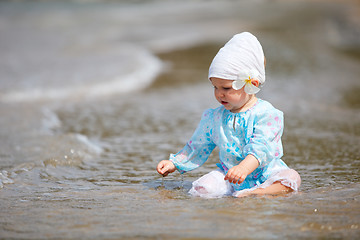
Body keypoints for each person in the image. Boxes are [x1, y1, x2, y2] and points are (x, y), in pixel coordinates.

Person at [156, 32, 301, 198]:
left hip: (265, 173)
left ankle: (257, 192)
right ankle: (240, 192)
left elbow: (262, 147)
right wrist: (175, 163)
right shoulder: (214, 118)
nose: (219, 94)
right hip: (229, 175)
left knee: (291, 178)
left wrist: (244, 169)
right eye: (215, 87)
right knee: (203, 187)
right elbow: (198, 145)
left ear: (251, 84)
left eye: (225, 88)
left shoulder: (267, 114)